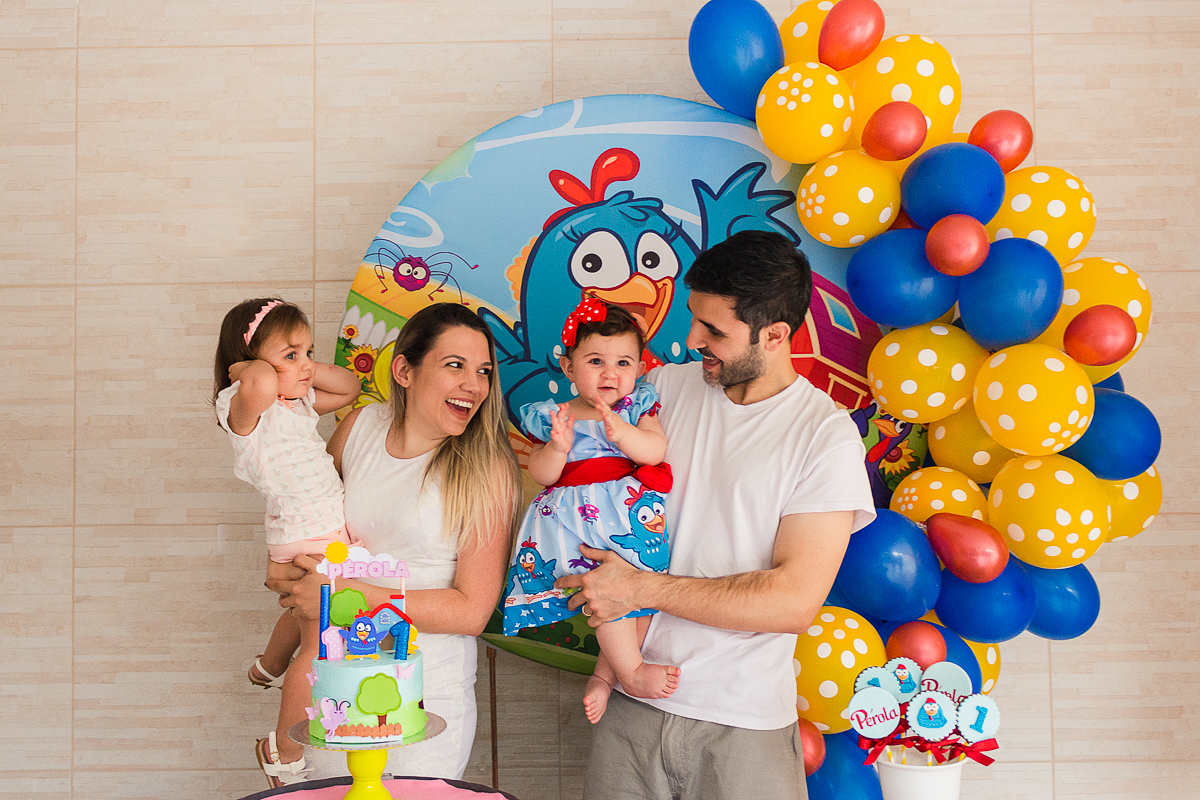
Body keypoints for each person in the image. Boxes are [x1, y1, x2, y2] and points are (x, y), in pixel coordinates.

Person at [558, 230, 876, 799]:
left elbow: (793, 602)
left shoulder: (824, 437)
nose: (691, 340)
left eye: (714, 331)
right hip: (630, 706)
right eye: (694, 319)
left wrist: (639, 589)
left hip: (744, 725)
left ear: (774, 335)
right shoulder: (660, 390)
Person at [265, 302, 521, 781]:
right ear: (404, 370)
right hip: (336, 687)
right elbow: (310, 519)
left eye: (484, 371)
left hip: (424, 695)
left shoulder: (487, 469)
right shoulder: (359, 428)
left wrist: (352, 595)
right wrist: (288, 569)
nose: (474, 384)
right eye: (455, 365)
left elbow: (472, 611)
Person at [500, 298, 680, 724]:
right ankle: (631, 672)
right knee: (608, 592)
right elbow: (543, 474)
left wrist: (624, 434)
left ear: (639, 368)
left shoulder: (638, 407)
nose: (609, 373)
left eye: (623, 363)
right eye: (595, 361)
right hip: (578, 522)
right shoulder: (555, 416)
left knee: (641, 598)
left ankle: (605, 675)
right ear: (568, 367)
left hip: (628, 515)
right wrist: (557, 448)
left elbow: (655, 450)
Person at [212, 298, 362, 787]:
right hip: (303, 534)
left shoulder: (297, 404)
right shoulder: (244, 409)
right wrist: (251, 368)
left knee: (306, 614)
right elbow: (258, 382)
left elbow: (351, 387)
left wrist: (303, 367)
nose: (306, 364)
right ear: (247, 363)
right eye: (291, 354)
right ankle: (282, 750)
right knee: (319, 647)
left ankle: (269, 664)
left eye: (309, 351)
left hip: (324, 532)